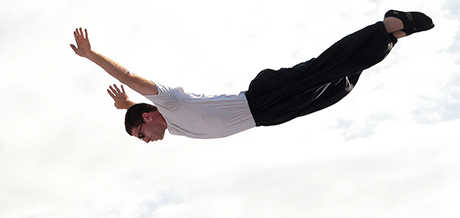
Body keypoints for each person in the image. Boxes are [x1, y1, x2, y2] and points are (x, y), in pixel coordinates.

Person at [70, 10, 434, 143]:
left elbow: (131, 77)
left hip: (262, 98)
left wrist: (92, 57)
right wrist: (125, 107)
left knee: (325, 69)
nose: (145, 141)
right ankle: (390, 38)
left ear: (149, 117)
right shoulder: (173, 128)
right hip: (269, 115)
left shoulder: (171, 103)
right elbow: (138, 106)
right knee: (336, 89)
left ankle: (388, 27)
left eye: (140, 135)